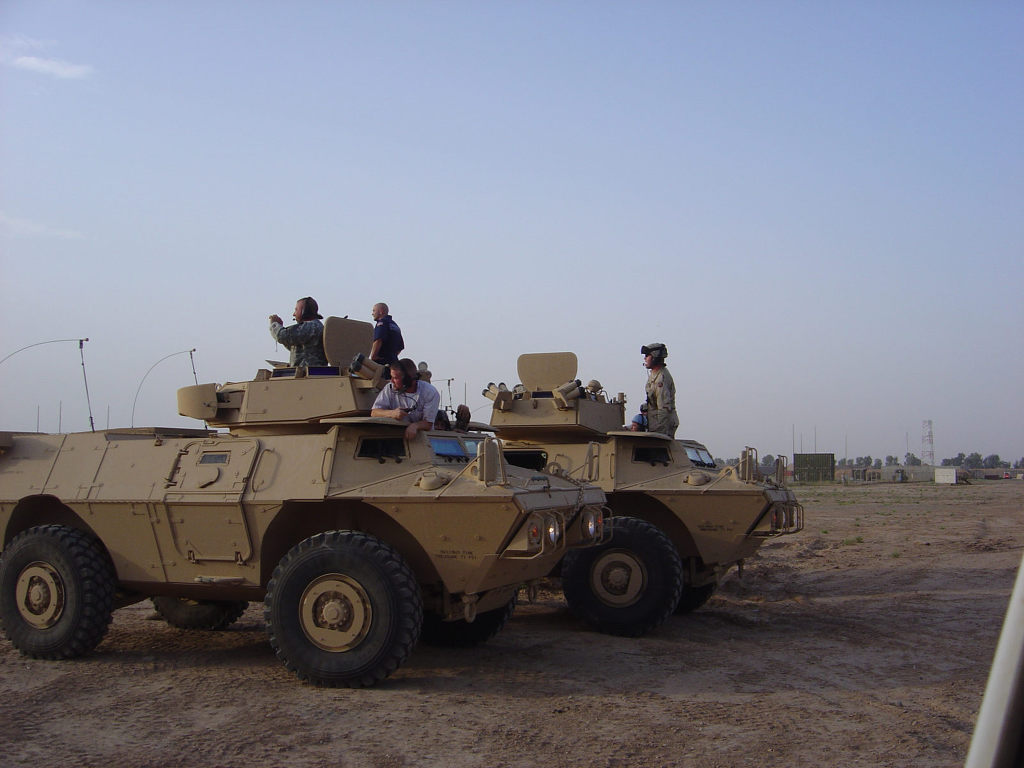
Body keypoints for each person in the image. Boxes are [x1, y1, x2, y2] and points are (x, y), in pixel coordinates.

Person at [371, 358, 440, 440]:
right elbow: (374, 412)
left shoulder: (429, 392)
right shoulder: (389, 388)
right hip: (394, 437)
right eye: (391, 377)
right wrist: (392, 413)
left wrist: (415, 426)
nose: (392, 381)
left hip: (421, 439)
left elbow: (428, 423)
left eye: (395, 378)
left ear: (407, 380)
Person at [269, 297, 327, 367]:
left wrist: (274, 324)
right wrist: (280, 327)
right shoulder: (314, 326)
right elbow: (295, 346)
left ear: (304, 311)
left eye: (296, 310)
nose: (294, 314)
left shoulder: (310, 326)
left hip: (307, 372)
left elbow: (282, 336)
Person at [642, 343, 678, 438]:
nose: (645, 358)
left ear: (654, 357)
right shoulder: (654, 375)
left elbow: (664, 408)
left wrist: (659, 431)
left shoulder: (661, 378)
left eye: (647, 356)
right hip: (655, 422)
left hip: (661, 426)